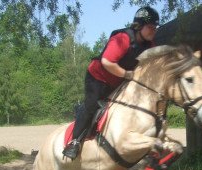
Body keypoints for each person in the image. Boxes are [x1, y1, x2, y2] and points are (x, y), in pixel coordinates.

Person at [62, 6, 160, 159]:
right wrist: (128, 74)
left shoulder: (150, 45)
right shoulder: (122, 38)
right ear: (139, 26)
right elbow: (107, 62)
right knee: (92, 105)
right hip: (98, 77)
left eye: (155, 27)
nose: (153, 30)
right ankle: (74, 142)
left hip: (118, 80)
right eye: (150, 27)